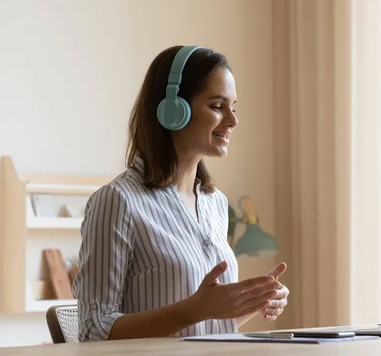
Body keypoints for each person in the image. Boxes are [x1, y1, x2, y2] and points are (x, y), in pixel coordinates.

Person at [72, 45, 290, 341]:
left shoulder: (215, 204)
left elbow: (202, 327)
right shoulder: (118, 201)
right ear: (173, 110)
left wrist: (252, 301)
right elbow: (94, 330)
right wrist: (195, 309)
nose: (233, 120)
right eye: (217, 106)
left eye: (233, 107)